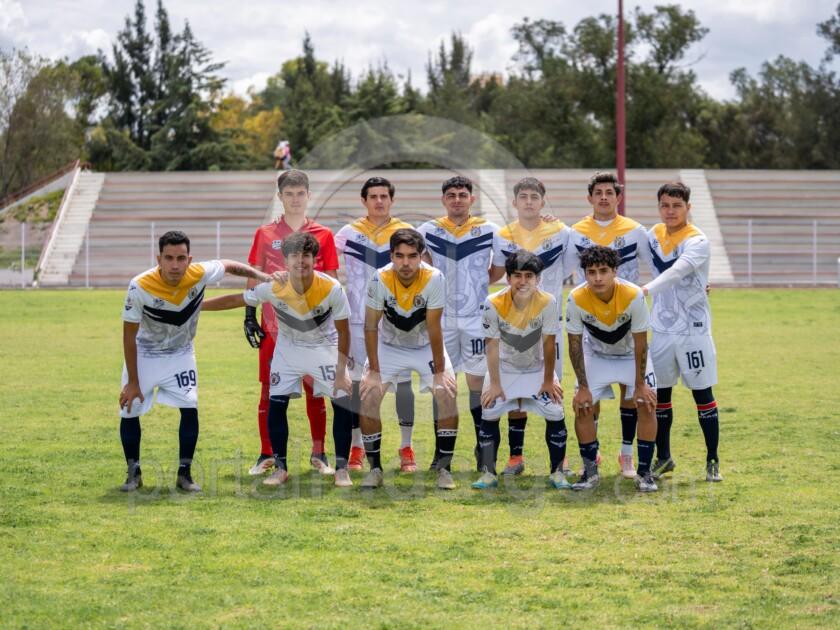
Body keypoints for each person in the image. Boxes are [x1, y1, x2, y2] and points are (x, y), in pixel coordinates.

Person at [118, 230, 271, 492]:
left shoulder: (200, 273)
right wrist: (133, 381)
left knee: (190, 407)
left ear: (189, 259)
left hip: (181, 354)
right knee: (129, 408)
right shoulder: (139, 286)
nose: (175, 265)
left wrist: (263, 276)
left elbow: (229, 265)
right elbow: (128, 335)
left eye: (181, 258)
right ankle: (134, 474)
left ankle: (185, 475)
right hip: (145, 354)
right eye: (168, 258)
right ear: (158, 259)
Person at [203, 232, 354, 487]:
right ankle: (281, 468)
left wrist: (341, 372)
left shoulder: (331, 288)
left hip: (323, 350)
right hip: (288, 351)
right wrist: (198, 306)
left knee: (342, 403)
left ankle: (342, 469)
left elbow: (344, 331)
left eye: (306, 255)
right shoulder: (275, 286)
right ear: (285, 260)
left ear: (314, 259)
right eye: (294, 255)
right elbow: (237, 299)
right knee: (277, 404)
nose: (300, 261)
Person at [245, 170, 339, 477]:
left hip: (313, 330)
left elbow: (332, 279)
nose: (295, 199)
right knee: (269, 391)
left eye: (300, 194)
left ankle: (319, 453)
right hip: (274, 328)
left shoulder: (323, 234)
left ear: (308, 196)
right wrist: (249, 315)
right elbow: (254, 274)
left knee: (316, 390)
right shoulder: (265, 233)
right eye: (289, 194)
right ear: (280, 197)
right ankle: (267, 454)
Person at [566, 171, 652, 479]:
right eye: (598, 192)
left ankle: (627, 455)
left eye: (609, 192)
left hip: (627, 317)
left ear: (619, 197)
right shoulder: (575, 232)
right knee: (590, 399)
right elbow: (560, 268)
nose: (604, 197)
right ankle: (593, 456)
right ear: (589, 198)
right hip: (593, 324)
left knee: (633, 396)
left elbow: (657, 266)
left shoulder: (636, 230)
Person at [359, 228, 458, 490]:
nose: (405, 263)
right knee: (368, 397)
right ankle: (375, 469)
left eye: (412, 256)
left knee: (447, 394)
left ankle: (444, 469)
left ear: (421, 256)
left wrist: (439, 372)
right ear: (391, 255)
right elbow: (370, 326)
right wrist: (374, 371)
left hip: (425, 346)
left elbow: (434, 327)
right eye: (399, 256)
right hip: (389, 346)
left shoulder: (434, 278)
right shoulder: (379, 278)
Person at [489, 176, 573, 476]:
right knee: (515, 392)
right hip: (514, 325)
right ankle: (516, 457)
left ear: (542, 202)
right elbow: (498, 274)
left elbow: (574, 266)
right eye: (523, 197)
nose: (528, 202)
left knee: (553, 388)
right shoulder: (503, 235)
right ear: (514, 202)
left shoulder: (562, 231)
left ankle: (561, 460)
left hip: (550, 323)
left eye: (534, 197)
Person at [334, 177, 417, 473]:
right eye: (373, 196)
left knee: (403, 385)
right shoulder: (348, 233)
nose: (379, 201)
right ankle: (357, 447)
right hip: (358, 322)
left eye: (384, 196)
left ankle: (406, 447)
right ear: (364, 200)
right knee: (358, 385)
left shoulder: (406, 231)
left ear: (392, 200)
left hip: (397, 322)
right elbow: (325, 262)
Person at [642, 182, 722, 482]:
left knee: (702, 394)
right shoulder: (653, 234)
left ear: (688, 207)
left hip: (693, 331)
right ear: (659, 207)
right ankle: (664, 457)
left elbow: (676, 272)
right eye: (665, 205)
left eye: (677, 205)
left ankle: (712, 459)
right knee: (660, 396)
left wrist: (643, 290)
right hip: (661, 331)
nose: (670, 211)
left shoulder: (697, 240)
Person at [417, 175, 498, 471]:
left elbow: (498, 269)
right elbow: (423, 266)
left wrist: (476, 286)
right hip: (442, 320)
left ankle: (483, 448)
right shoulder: (427, 230)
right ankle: (442, 454)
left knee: (478, 384)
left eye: (462, 195)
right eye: (451, 195)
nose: (457, 200)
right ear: (443, 199)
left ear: (471, 199)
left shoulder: (489, 230)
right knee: (442, 385)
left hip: (476, 318)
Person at [472, 250, 569, 490]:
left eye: (529, 276)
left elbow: (549, 344)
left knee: (556, 411)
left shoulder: (548, 302)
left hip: (537, 370)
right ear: (508, 278)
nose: (523, 281)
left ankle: (557, 473)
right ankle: (489, 473)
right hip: (504, 370)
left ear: (538, 279)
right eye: (517, 275)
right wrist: (495, 384)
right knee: (489, 411)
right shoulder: (493, 302)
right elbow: (491, 345)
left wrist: (548, 380)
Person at [566, 246, 659, 492]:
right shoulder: (576, 297)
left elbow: (641, 342)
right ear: (584, 273)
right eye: (591, 272)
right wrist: (582, 387)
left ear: (615, 271)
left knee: (647, 403)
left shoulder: (633, 294)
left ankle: (645, 473)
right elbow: (574, 344)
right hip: (597, 356)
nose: (597, 278)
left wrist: (640, 384)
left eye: (603, 271)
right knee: (582, 406)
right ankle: (590, 472)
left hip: (630, 355)